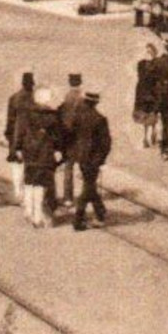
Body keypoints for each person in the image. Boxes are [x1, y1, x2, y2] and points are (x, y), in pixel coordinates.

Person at [12, 86, 64, 228]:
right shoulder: (53, 117)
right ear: (47, 100)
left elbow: (19, 132)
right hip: (45, 153)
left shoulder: (25, 114)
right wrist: (59, 151)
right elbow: (58, 138)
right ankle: (37, 215)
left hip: (29, 152)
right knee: (41, 184)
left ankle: (28, 210)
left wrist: (17, 148)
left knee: (29, 181)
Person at [66, 90, 112, 231]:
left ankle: (100, 211)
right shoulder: (100, 119)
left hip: (81, 157)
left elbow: (70, 135)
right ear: (96, 103)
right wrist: (101, 159)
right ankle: (78, 219)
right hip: (94, 159)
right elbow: (106, 143)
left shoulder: (77, 116)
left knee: (89, 184)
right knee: (88, 187)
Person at [4, 71, 37, 204]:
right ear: (32, 85)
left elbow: (10, 121)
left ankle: (19, 194)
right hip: (32, 139)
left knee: (17, 167)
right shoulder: (35, 99)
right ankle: (29, 196)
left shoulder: (14, 98)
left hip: (16, 137)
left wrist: (9, 136)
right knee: (30, 168)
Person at [57, 74, 85, 207]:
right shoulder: (83, 99)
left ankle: (68, 198)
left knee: (68, 168)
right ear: (80, 83)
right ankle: (85, 195)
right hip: (80, 138)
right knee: (84, 167)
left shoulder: (67, 97)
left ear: (70, 83)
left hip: (68, 138)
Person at [133, 44, 160, 149]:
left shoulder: (156, 63)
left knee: (153, 112)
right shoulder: (141, 64)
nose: (149, 53)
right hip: (144, 91)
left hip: (152, 91)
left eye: (151, 51)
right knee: (145, 114)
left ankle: (153, 132)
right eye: (147, 51)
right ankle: (145, 137)